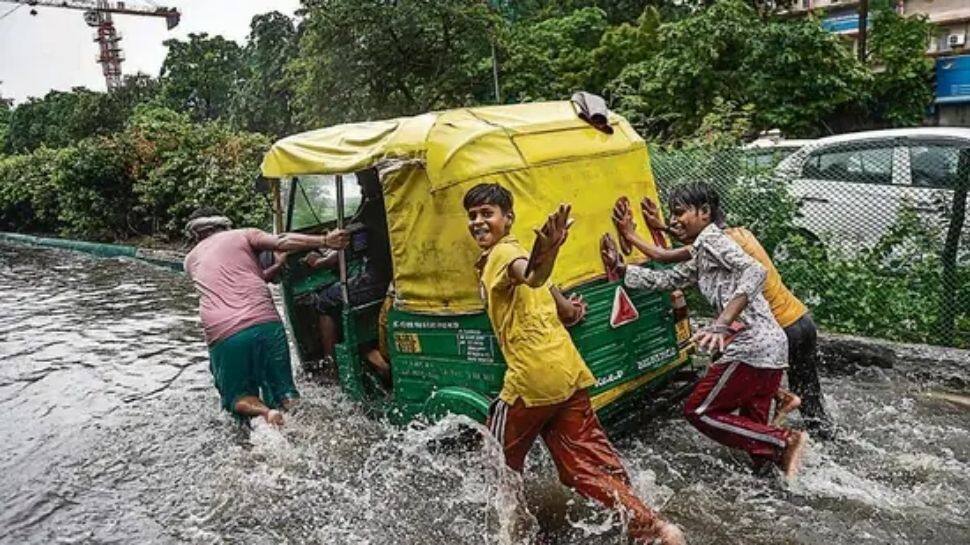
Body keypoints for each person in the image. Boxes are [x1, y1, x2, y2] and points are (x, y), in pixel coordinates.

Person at [464, 183, 685, 545]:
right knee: (582, 465)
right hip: (568, 372)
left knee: (496, 458)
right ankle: (654, 527)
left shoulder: (502, 256)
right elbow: (556, 298)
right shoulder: (515, 250)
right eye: (472, 216)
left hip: (531, 380)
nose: (477, 222)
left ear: (508, 219)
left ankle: (512, 534)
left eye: (486, 213)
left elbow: (531, 274)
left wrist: (546, 254)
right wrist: (570, 306)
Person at [602, 182, 809, 479]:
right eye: (670, 214)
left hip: (752, 346)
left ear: (704, 212)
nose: (673, 221)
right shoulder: (703, 251)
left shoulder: (714, 241)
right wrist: (623, 270)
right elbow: (669, 279)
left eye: (678, 213)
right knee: (757, 444)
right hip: (770, 348)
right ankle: (777, 483)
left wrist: (721, 323)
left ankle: (785, 441)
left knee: (699, 411)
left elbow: (755, 271)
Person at [183, 207, 349, 426]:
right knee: (285, 392)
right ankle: (305, 424)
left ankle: (265, 413)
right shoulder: (243, 234)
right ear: (224, 225)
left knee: (237, 397)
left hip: (224, 334)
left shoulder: (190, 260)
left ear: (196, 234)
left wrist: (277, 266)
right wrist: (326, 240)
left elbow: (234, 279)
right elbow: (282, 242)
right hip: (266, 322)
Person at [305, 169, 393, 372]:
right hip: (392, 279)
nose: (360, 184)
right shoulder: (392, 202)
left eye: (362, 180)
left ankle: (330, 363)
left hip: (377, 281)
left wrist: (317, 262)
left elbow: (345, 242)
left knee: (323, 301)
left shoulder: (372, 209)